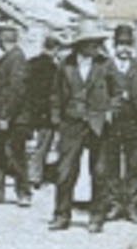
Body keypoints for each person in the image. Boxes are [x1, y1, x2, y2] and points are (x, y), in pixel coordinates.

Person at [49, 25, 123, 233]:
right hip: (71, 122)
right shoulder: (66, 65)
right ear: (81, 45)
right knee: (65, 171)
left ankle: (97, 217)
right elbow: (55, 94)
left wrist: (111, 110)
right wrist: (56, 119)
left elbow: (119, 91)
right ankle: (61, 215)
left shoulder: (106, 64)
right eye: (91, 43)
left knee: (99, 172)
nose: (96, 47)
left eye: (97, 43)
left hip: (99, 123)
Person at [105, 23, 137, 222]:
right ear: (114, 46)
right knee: (112, 164)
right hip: (112, 123)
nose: (124, 49)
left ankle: (132, 206)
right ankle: (115, 204)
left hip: (135, 123)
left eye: (127, 44)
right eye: (120, 44)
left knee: (134, 165)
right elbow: (99, 95)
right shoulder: (106, 68)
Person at [0, 22, 33, 206]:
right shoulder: (8, 58)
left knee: (14, 155)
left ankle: (23, 192)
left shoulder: (16, 59)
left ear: (1, 40)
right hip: (2, 116)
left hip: (12, 119)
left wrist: (5, 115)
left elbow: (16, 91)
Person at [23, 33, 62, 188]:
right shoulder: (54, 68)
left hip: (30, 109)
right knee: (42, 145)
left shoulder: (31, 63)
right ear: (56, 49)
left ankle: (27, 173)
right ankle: (35, 175)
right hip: (46, 111)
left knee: (29, 144)